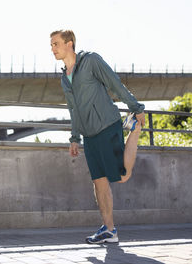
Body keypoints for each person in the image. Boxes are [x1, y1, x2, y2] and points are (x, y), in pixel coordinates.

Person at [50, 30, 145, 244]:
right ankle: (109, 230)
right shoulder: (65, 77)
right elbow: (73, 108)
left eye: (56, 44)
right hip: (89, 134)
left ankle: (135, 130)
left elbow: (114, 83)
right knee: (99, 182)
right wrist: (74, 138)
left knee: (122, 175)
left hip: (107, 124)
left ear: (69, 44)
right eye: (51, 45)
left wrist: (135, 107)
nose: (52, 49)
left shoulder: (91, 61)